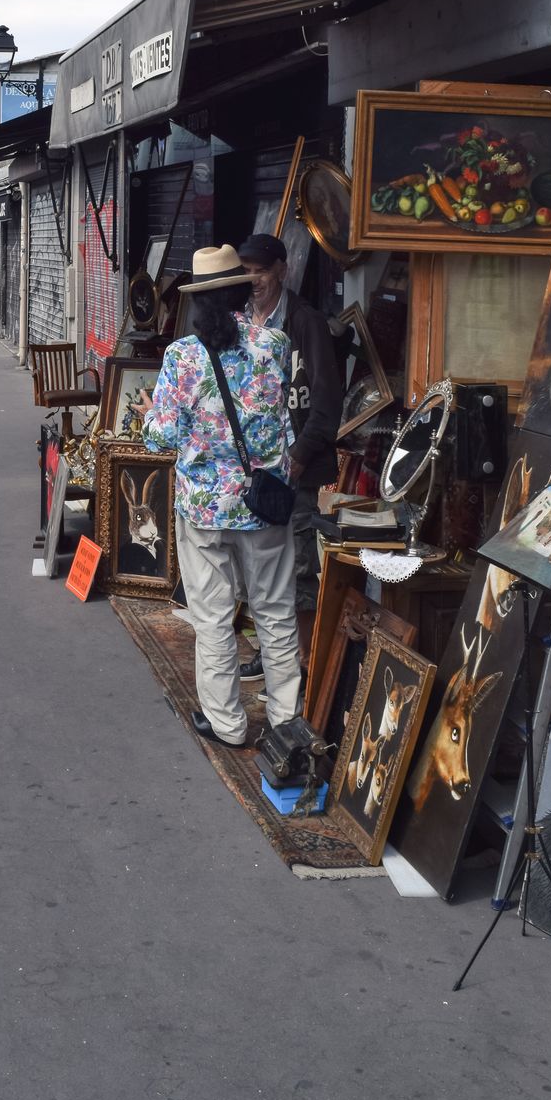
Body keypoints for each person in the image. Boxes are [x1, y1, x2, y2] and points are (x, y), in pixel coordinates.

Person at [141, 243, 301, 747]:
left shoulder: (182, 357)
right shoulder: (273, 344)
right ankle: (286, 720)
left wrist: (151, 409)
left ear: (197, 302)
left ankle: (228, 723)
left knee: (212, 617)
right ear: (239, 293)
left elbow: (160, 438)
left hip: (206, 510)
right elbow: (281, 420)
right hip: (264, 505)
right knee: (275, 613)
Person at [237, 232, 343, 670]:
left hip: (295, 465)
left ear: (282, 269)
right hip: (255, 468)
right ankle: (270, 653)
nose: (254, 280)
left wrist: (299, 457)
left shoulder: (305, 322)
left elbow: (327, 399)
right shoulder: (241, 319)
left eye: (261, 270)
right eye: (246, 272)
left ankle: (301, 662)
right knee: (260, 566)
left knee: (298, 566)